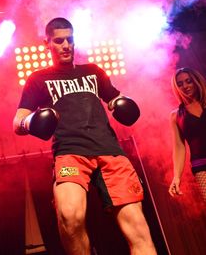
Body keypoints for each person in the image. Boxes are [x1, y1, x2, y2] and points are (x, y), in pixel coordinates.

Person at [13, 17, 157, 255]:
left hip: (110, 151)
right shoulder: (38, 79)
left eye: (70, 39)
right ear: (47, 43)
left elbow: (116, 100)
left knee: (139, 228)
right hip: (70, 152)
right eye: (59, 41)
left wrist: (122, 103)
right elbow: (17, 122)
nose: (66, 45)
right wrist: (31, 121)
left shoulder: (93, 71)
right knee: (70, 217)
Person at [169, 67, 206, 203]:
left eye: (188, 81)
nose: (185, 86)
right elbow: (179, 147)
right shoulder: (175, 115)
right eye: (180, 84)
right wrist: (176, 176)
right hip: (201, 166)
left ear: (196, 81)